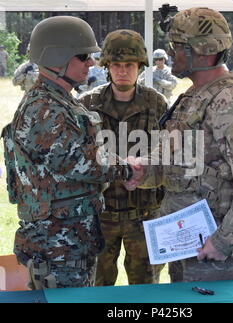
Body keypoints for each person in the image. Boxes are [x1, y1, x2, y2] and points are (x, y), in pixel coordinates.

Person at [126, 7, 233, 282]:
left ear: (203, 50)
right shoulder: (194, 96)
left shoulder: (230, 102)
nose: (170, 52)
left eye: (178, 46)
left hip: (212, 253)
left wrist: (224, 241)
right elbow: (176, 160)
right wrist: (143, 170)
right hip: (184, 244)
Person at [1, 16, 140, 290]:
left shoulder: (59, 100)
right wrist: (126, 168)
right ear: (57, 57)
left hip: (69, 240)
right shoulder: (44, 108)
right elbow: (79, 162)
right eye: (83, 56)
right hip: (58, 246)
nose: (91, 63)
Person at [80, 29, 167, 286]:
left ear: (140, 67)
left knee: (145, 289)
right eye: (116, 65)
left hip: (144, 215)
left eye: (129, 65)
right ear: (106, 67)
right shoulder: (87, 105)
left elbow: (169, 154)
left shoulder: (157, 104)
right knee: (98, 286)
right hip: (100, 215)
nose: (122, 71)